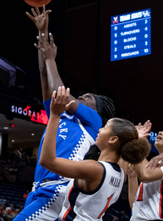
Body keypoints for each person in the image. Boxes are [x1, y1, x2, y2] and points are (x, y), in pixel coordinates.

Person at [13, 7, 116, 221]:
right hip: (39, 190)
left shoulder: (94, 122)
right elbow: (44, 77)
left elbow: (62, 93)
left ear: (94, 108)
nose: (81, 97)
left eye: (87, 97)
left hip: (56, 190)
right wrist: (43, 31)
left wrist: (52, 60)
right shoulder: (60, 115)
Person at [40, 86, 150, 221]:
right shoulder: (120, 174)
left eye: (105, 127)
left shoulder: (94, 169)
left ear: (113, 139)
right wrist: (133, 137)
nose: (100, 129)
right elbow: (123, 156)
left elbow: (47, 161)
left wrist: (55, 117)